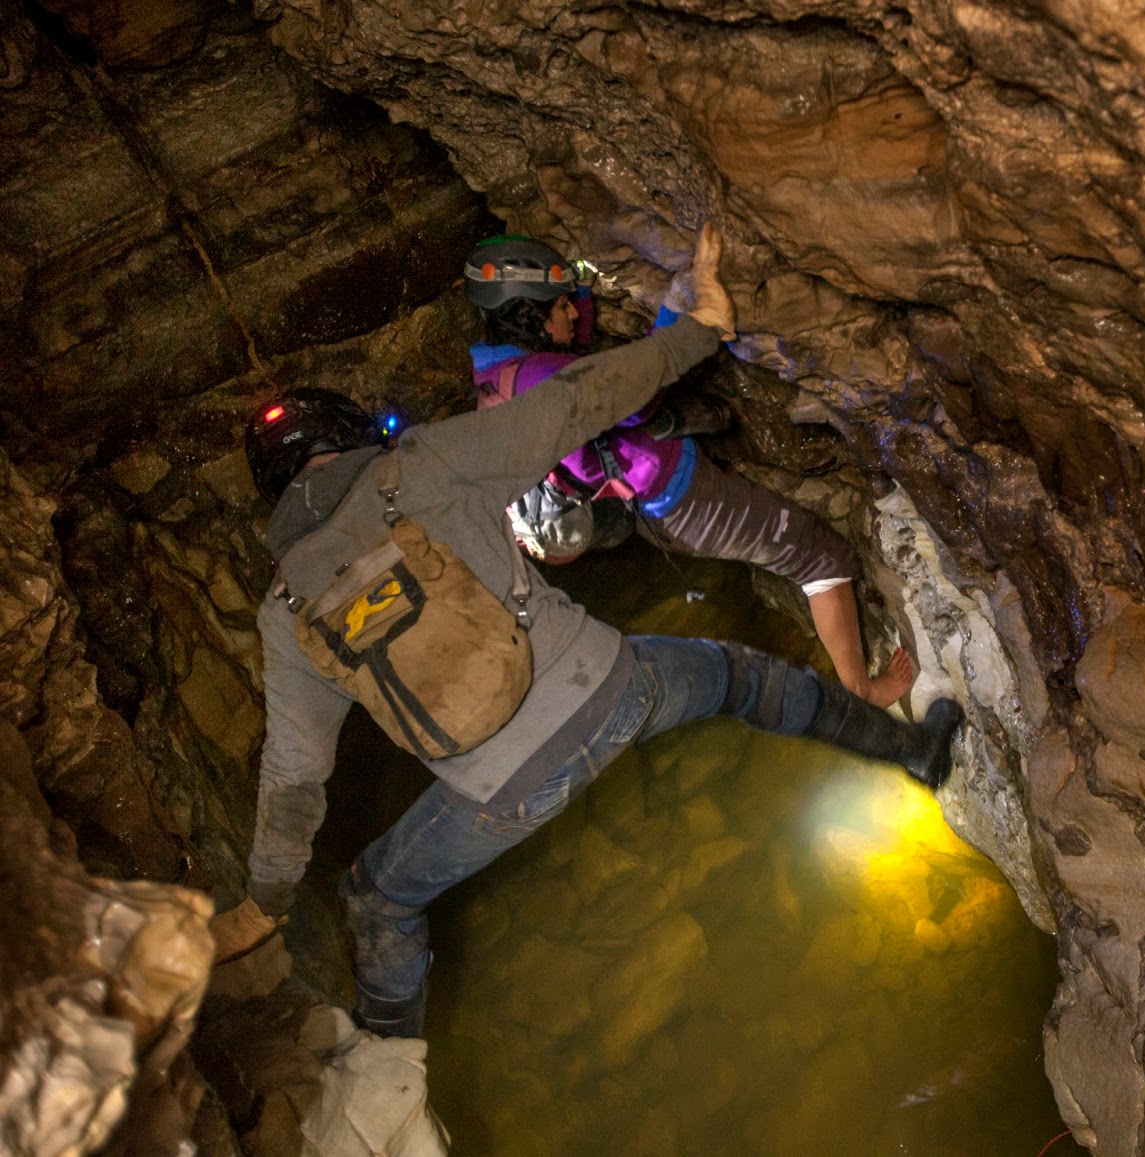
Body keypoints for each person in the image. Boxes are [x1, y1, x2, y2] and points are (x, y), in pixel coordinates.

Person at [212, 226, 964, 1038]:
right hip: (615, 687)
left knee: (377, 897)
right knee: (744, 679)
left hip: (495, 795)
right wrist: (698, 330)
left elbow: (294, 777)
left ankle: (389, 1072)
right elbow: (580, 402)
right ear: (348, 439)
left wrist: (265, 901)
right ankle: (916, 753)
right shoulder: (425, 464)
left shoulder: (283, 611)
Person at [465, 234, 915, 709]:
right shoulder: (541, 381)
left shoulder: (502, 371)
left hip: (652, 497)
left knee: (791, 541)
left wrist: (577, 280)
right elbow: (635, 402)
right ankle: (861, 694)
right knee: (821, 556)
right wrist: (679, 305)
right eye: (561, 305)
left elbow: (576, 354)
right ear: (531, 314)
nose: (574, 313)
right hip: (680, 501)